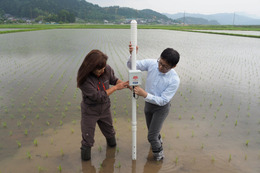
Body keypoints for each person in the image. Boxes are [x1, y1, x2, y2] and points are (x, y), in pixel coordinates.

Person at [127, 43, 180, 161]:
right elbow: (133, 66)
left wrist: (144, 94)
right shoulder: (152, 63)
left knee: (151, 136)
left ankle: (159, 157)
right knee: (153, 131)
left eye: (165, 66)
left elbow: (163, 100)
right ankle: (159, 141)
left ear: (174, 66)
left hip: (161, 109)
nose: (160, 67)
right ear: (159, 58)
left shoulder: (174, 80)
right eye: (160, 63)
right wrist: (132, 55)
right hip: (149, 105)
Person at [77, 49, 129, 161]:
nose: (102, 71)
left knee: (110, 133)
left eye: (104, 68)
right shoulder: (84, 79)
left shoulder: (107, 69)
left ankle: (112, 154)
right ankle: (86, 165)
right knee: (88, 139)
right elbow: (97, 96)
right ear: (90, 68)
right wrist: (115, 88)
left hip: (105, 109)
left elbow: (113, 80)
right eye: (99, 69)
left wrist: (123, 84)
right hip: (90, 112)